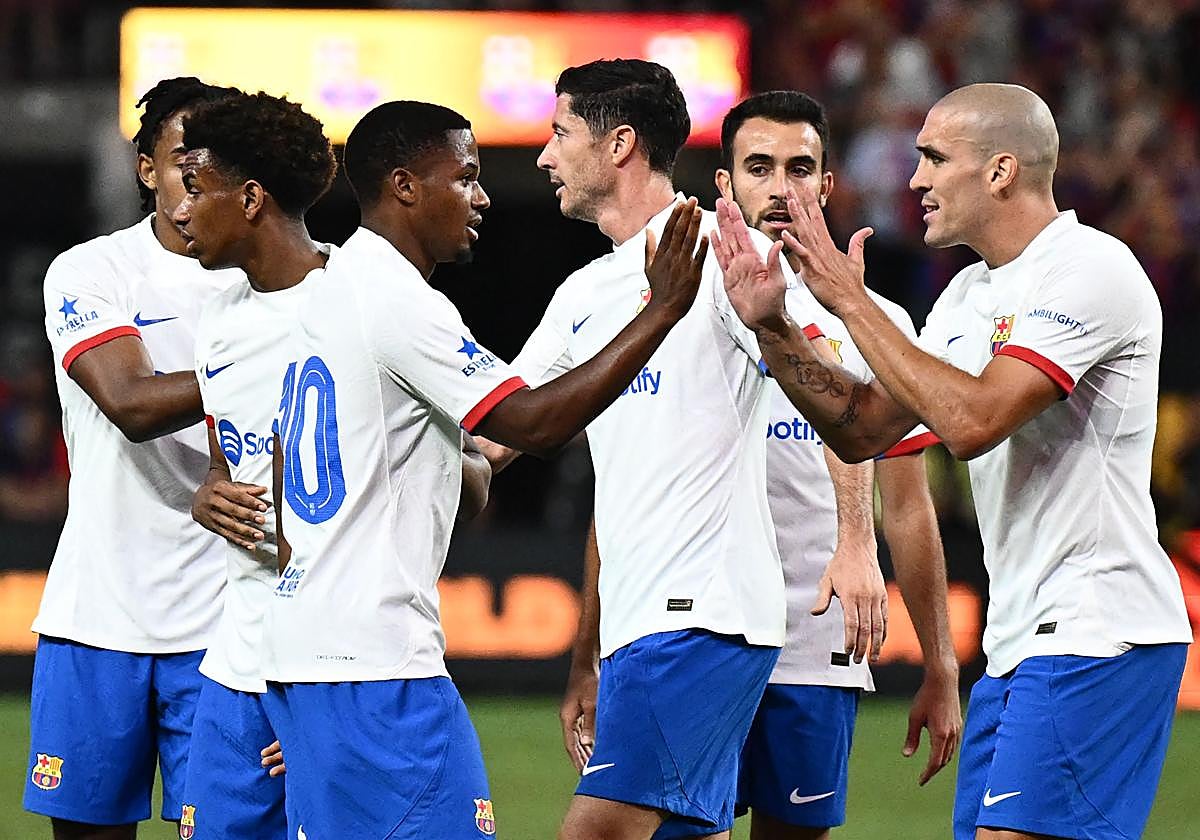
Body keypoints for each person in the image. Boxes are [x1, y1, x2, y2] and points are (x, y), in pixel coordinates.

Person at [713, 83, 1192, 840]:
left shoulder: (1090, 269)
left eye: (934, 158)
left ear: (1000, 171)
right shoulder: (970, 293)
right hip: (1018, 639)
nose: (916, 181)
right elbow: (864, 429)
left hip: (1101, 628)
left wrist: (850, 302)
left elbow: (973, 421)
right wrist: (774, 328)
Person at [258, 99, 709, 839]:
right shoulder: (400, 303)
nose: (483, 196)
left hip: (308, 654)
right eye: (465, 177)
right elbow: (535, 422)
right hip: (377, 666)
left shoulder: (322, 292)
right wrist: (659, 311)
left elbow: (413, 470)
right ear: (405, 186)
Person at [483, 59, 886, 840]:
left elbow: (836, 401)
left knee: (594, 832)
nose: (544, 156)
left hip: (702, 617)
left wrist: (855, 537)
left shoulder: (722, 255)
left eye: (560, 133)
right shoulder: (585, 294)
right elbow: (500, 432)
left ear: (620, 144)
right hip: (640, 625)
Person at [24, 77, 244, 840]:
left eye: (222, 159)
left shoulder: (290, 277)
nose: (201, 177)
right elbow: (129, 400)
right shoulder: (93, 271)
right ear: (147, 167)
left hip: (230, 629)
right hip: (98, 618)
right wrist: (262, 357)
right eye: (186, 157)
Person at [166, 89, 338, 840]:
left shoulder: (356, 308)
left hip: (327, 669)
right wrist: (208, 491)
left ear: (252, 196)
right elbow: (226, 461)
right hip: (233, 670)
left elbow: (428, 488)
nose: (179, 211)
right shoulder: (220, 321)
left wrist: (315, 691)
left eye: (195, 189)